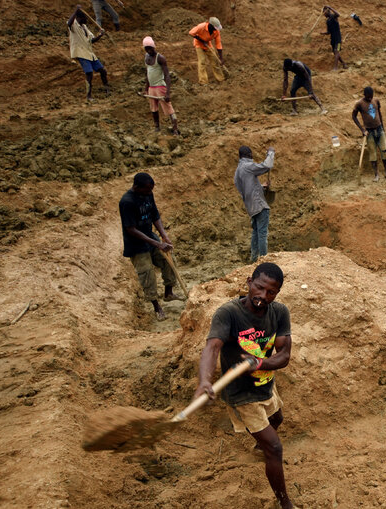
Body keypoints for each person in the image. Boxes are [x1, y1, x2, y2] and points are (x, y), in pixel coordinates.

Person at [194, 262, 293, 509]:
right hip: (241, 393)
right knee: (274, 448)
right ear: (249, 282)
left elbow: (284, 355)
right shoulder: (228, 314)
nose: (263, 296)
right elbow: (212, 348)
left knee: (277, 418)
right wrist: (205, 380)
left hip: (265, 383)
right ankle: (284, 504)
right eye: (259, 287)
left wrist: (260, 363)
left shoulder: (279, 312)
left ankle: (260, 445)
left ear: (277, 293)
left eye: (271, 292)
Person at [118, 172, 182, 321]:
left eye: (151, 190)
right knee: (147, 274)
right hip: (136, 245)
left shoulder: (147, 194)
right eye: (147, 190)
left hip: (150, 237)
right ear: (137, 187)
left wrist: (164, 236)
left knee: (168, 260)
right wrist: (157, 243)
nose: (150, 192)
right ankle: (157, 308)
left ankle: (168, 293)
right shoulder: (127, 202)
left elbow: (155, 215)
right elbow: (131, 229)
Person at [234, 145, 275, 263]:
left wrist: (261, 187)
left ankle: (254, 259)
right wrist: (271, 153)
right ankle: (263, 260)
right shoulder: (248, 166)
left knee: (256, 233)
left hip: (251, 207)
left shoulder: (238, 171)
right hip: (260, 205)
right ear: (249, 155)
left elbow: (247, 189)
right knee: (262, 234)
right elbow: (267, 165)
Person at [67, 5, 109, 102]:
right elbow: (69, 23)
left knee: (102, 71)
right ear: (79, 18)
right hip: (81, 53)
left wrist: (100, 35)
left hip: (89, 53)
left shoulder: (84, 27)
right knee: (89, 73)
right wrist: (76, 10)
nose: (87, 20)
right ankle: (88, 96)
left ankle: (107, 89)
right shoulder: (73, 25)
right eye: (85, 18)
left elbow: (91, 40)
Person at [351, 87, 386, 181]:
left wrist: (383, 128)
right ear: (364, 95)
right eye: (368, 97)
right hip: (369, 132)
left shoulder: (376, 100)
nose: (370, 99)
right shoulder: (359, 104)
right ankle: (376, 175)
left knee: (384, 151)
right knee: (373, 154)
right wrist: (362, 130)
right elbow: (353, 116)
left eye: (371, 97)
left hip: (379, 129)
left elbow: (379, 114)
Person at [142, 36, 179, 136]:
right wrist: (146, 88)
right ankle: (157, 127)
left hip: (160, 86)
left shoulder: (160, 58)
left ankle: (175, 129)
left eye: (150, 48)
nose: (149, 51)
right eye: (146, 49)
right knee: (153, 109)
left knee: (168, 108)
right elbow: (148, 73)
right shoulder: (146, 57)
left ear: (154, 47)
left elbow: (167, 75)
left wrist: (167, 93)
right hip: (151, 87)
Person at [189, 17, 225, 85]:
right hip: (198, 44)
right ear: (210, 25)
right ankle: (203, 82)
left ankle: (220, 79)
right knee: (202, 62)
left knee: (215, 61)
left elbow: (218, 44)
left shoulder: (216, 32)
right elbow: (191, 32)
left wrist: (221, 58)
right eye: (215, 28)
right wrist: (200, 40)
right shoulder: (201, 26)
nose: (216, 29)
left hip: (208, 44)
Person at [321, 5, 347, 70]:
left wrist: (330, 8)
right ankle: (344, 63)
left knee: (336, 51)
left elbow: (338, 14)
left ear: (327, 11)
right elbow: (329, 32)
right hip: (333, 39)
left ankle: (335, 68)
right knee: (335, 52)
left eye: (324, 12)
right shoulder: (327, 21)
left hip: (338, 38)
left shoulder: (334, 17)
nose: (324, 14)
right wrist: (323, 33)